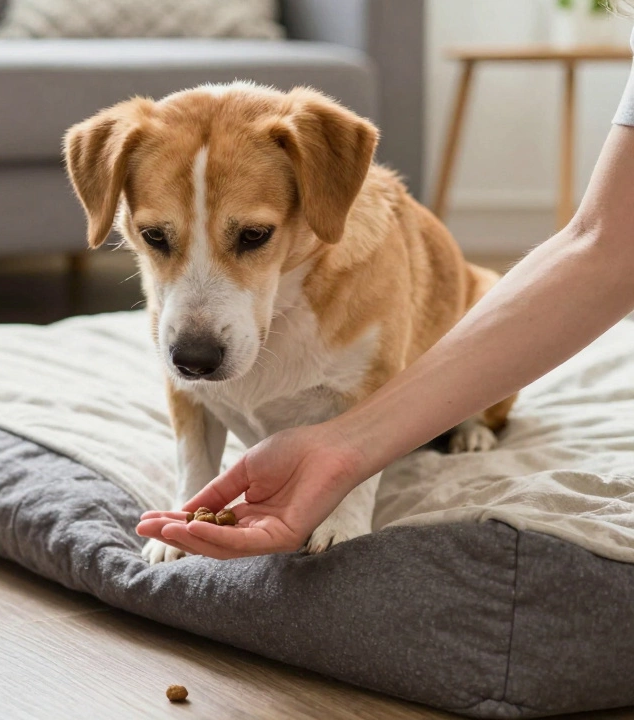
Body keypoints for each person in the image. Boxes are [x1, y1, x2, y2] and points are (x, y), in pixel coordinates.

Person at [136, 28, 634, 560]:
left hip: (435, 360)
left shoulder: (367, 258)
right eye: (157, 238)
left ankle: (470, 415)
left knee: (481, 295)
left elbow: (606, 247)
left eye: (253, 236)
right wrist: (191, 497)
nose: (192, 312)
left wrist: (350, 500)